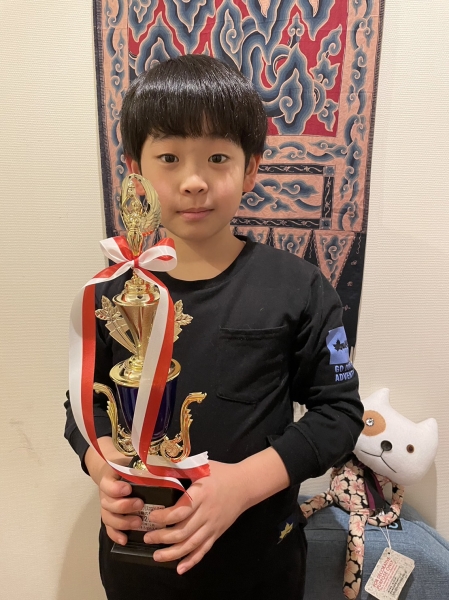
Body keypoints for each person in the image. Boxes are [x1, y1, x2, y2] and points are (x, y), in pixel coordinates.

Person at [64, 54, 363, 600]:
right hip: (137, 567)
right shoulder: (114, 289)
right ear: (135, 171)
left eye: (218, 158)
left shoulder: (298, 286)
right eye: (169, 158)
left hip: (259, 563)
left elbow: (339, 414)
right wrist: (103, 467)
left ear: (250, 169)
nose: (194, 181)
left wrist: (241, 486)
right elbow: (81, 407)